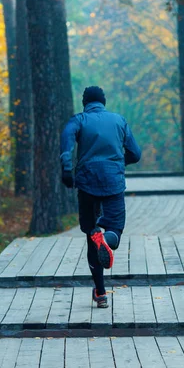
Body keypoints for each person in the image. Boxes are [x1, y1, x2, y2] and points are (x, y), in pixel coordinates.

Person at [60, 86, 141, 308]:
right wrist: (116, 163)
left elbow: (66, 138)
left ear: (84, 102)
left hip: (86, 182)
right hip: (113, 182)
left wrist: (67, 168)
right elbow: (136, 153)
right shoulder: (119, 120)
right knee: (115, 228)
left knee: (90, 233)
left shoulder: (79, 120)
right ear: (103, 102)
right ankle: (106, 238)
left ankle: (101, 293)